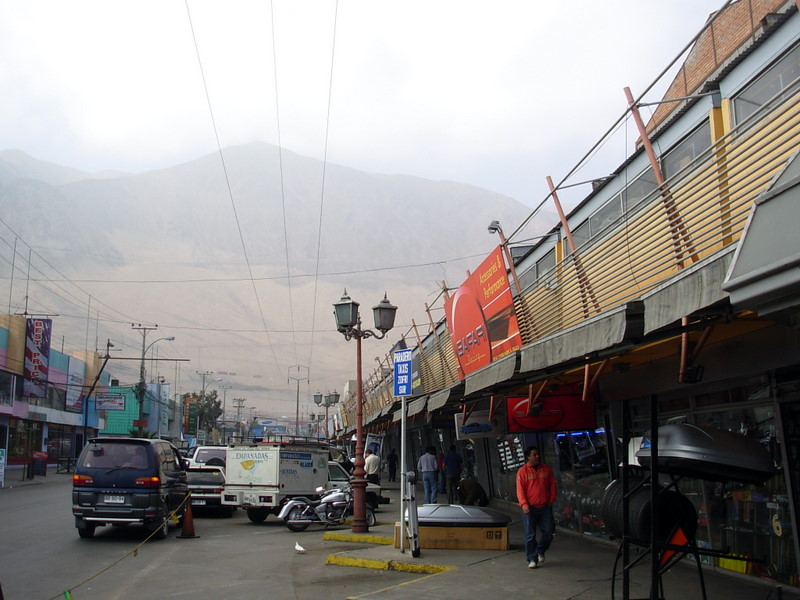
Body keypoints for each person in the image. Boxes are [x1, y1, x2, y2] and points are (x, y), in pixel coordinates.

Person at [516, 445, 557, 569]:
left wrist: (551, 500)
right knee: (530, 535)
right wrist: (524, 504)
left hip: (545, 507)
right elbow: (520, 490)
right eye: (534, 454)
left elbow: (552, 485)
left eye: (538, 454)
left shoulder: (546, 469)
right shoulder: (522, 472)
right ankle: (532, 559)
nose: (537, 456)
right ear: (528, 456)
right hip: (530, 508)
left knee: (549, 532)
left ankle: (540, 549)